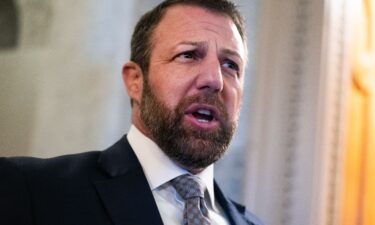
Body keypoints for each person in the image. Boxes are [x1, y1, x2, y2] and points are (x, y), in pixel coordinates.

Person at [0, 0, 264, 225]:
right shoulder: (30, 190)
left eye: (231, 65)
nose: (215, 79)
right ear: (135, 81)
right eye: (189, 55)